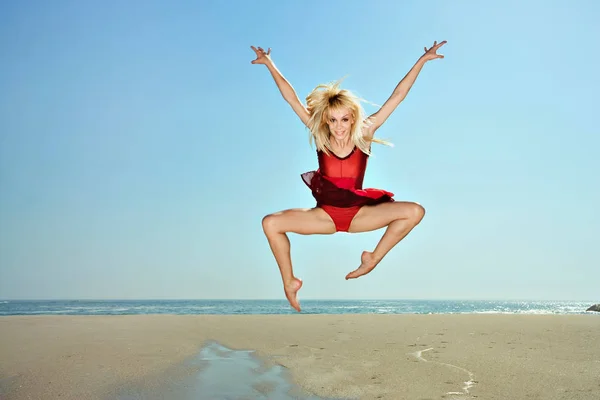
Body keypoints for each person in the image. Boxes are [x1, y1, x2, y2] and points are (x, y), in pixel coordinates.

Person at [251, 41, 446, 312]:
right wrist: (270, 64)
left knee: (415, 211)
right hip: (325, 216)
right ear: (326, 121)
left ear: (352, 118)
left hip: (358, 215)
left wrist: (422, 60)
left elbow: (398, 96)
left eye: (344, 119)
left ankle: (372, 259)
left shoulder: (365, 133)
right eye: (332, 120)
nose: (339, 126)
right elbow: (291, 98)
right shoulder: (320, 135)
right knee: (270, 224)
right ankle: (289, 282)